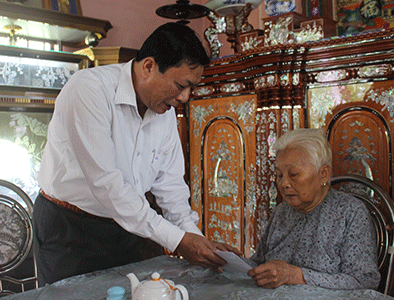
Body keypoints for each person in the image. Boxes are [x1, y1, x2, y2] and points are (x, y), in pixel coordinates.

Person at [33, 22, 241, 286]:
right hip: (69, 228)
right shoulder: (89, 90)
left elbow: (171, 186)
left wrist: (197, 242)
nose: (185, 97)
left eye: (191, 89)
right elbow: (107, 184)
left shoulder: (163, 111)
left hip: (125, 227)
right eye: (180, 85)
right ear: (148, 67)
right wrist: (177, 241)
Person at [247, 128, 380, 290]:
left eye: (294, 174)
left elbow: (364, 281)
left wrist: (295, 276)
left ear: (324, 174)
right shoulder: (282, 211)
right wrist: (226, 259)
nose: (284, 184)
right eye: (280, 175)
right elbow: (259, 262)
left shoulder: (349, 212)